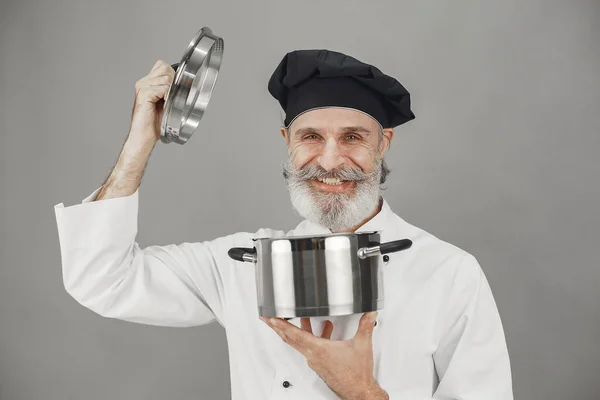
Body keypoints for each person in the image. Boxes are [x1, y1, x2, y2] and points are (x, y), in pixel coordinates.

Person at [54, 49, 513, 399]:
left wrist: (363, 392)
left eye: (353, 137)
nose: (330, 161)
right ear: (287, 143)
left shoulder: (449, 272)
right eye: (310, 137)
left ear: (383, 144)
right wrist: (140, 141)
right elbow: (101, 280)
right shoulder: (239, 263)